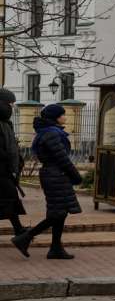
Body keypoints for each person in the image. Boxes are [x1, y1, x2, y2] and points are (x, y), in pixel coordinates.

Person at [10, 103, 82, 259]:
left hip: (54, 174)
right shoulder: (52, 134)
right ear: (55, 117)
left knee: (60, 212)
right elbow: (62, 158)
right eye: (62, 114)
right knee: (57, 213)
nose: (65, 117)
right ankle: (25, 238)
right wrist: (75, 175)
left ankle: (56, 248)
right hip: (55, 175)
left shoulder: (49, 132)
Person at [0, 87, 27, 238]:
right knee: (9, 199)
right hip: (2, 171)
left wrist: (17, 161)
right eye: (10, 104)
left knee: (8, 200)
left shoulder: (5, 123)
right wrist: (8, 164)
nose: (12, 107)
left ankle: (19, 230)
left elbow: (11, 147)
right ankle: (19, 231)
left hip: (5, 171)